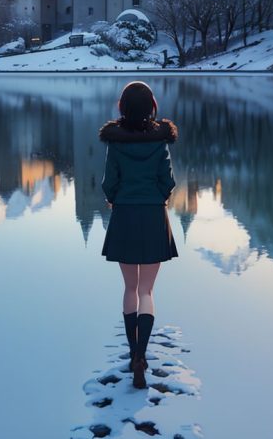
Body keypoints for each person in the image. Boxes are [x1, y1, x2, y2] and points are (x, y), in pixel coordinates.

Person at [99, 80, 178, 390]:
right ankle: (142, 356)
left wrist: (116, 198)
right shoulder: (160, 142)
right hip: (154, 216)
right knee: (147, 292)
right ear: (152, 108)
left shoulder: (115, 143)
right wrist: (157, 197)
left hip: (125, 216)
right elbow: (167, 181)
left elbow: (109, 183)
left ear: (123, 108)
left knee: (130, 288)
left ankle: (132, 352)